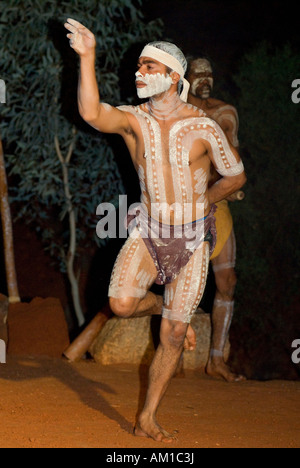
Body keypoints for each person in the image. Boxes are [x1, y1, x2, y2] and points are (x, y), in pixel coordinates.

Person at [64, 18, 246, 442]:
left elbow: (235, 175)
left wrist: (208, 199)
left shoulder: (204, 127)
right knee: (122, 303)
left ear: (173, 77)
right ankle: (162, 309)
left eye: (149, 67)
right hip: (149, 232)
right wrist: (87, 56)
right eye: (139, 67)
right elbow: (91, 112)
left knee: (174, 333)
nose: (139, 73)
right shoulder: (133, 121)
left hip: (192, 240)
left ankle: (147, 416)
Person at [187, 57, 246, 382]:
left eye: (210, 73)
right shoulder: (177, 110)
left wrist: (229, 187)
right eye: (199, 74)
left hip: (217, 203)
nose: (205, 79)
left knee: (227, 281)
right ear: (187, 77)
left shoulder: (225, 113)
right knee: (175, 278)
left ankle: (216, 358)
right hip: (183, 207)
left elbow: (231, 155)